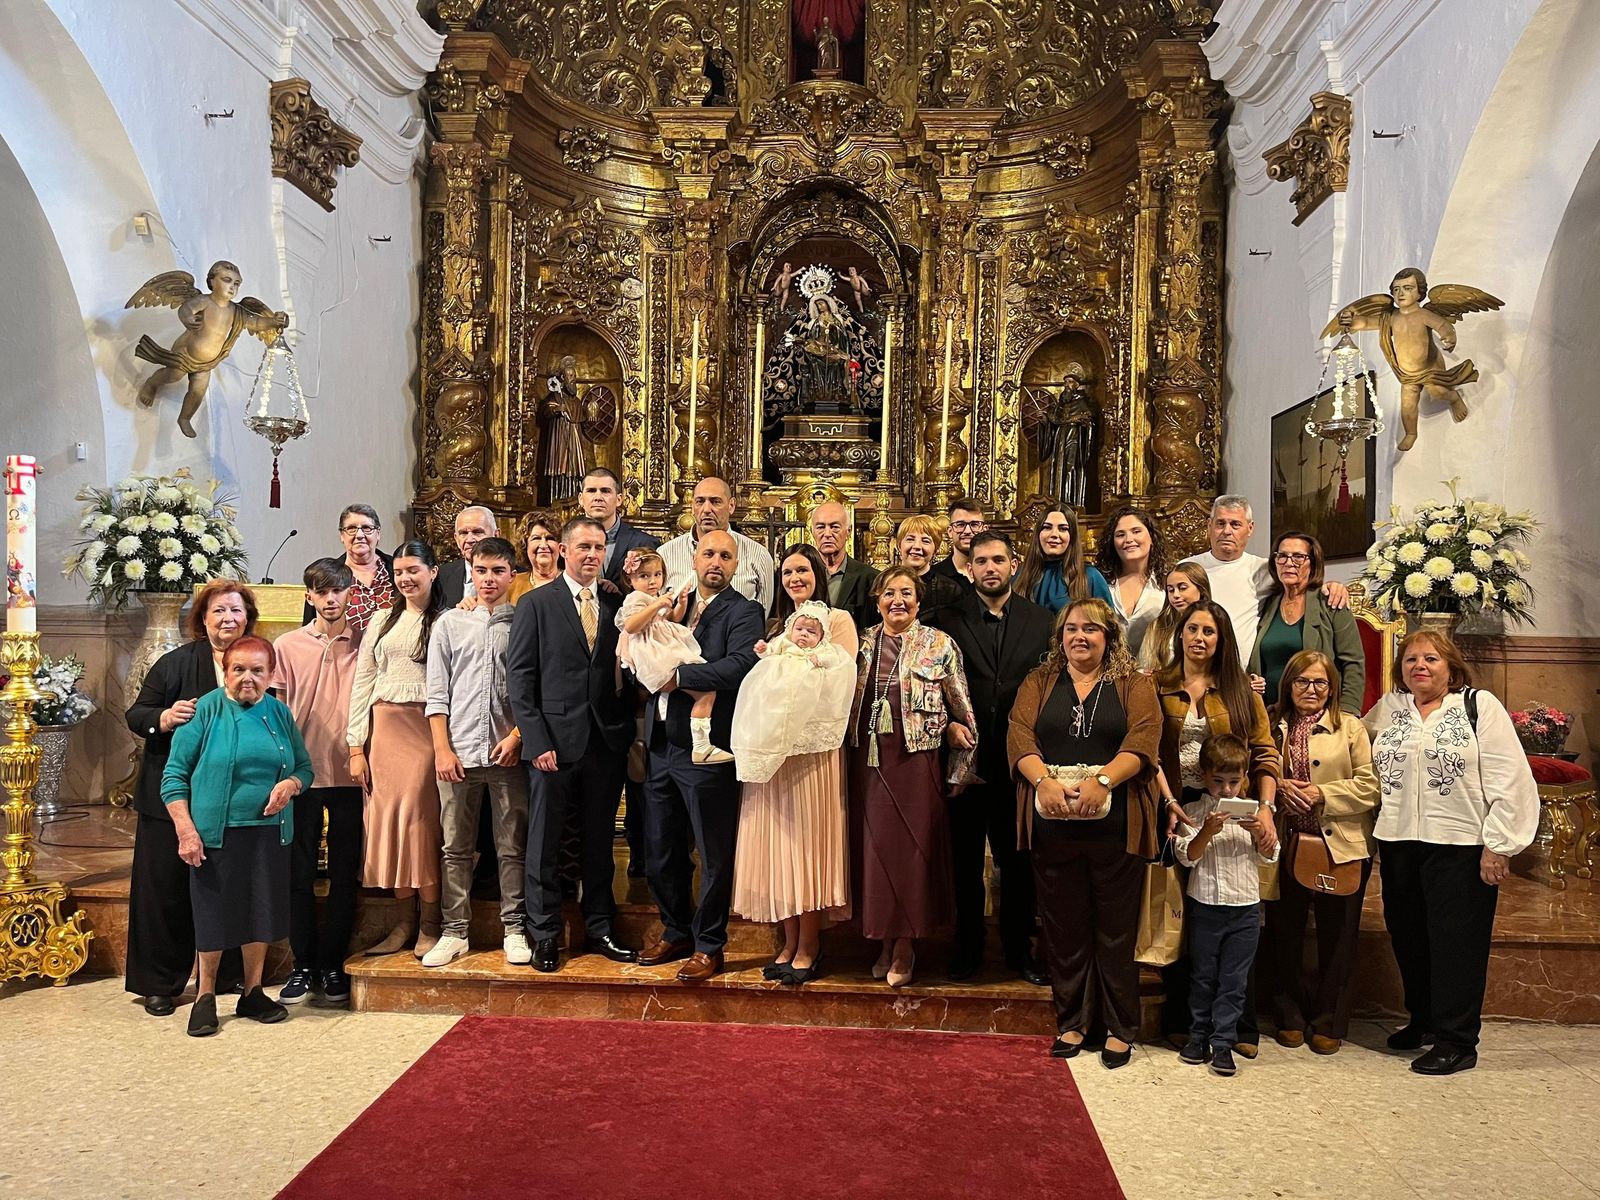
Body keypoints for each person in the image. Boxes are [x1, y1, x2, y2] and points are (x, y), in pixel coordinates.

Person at [1364, 630, 1539, 1075]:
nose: (1419, 666)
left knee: (1456, 944)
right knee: (1409, 936)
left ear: (1451, 667)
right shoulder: (1390, 708)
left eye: (1431, 659)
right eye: (1410, 660)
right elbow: (1355, 751)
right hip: (1399, 841)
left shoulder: (1479, 707)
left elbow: (1510, 777)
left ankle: (1457, 1040)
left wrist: (1499, 845)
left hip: (1461, 845)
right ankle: (1423, 1020)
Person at [1009, 598, 1163, 1069]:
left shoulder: (1134, 684)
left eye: (1091, 629)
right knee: (1064, 929)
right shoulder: (1039, 682)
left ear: (1109, 636)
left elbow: (1144, 738)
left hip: (1116, 828)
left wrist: (1102, 782)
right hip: (1053, 825)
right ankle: (1073, 1021)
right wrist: (1043, 782)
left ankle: (1119, 1027)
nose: (1080, 636)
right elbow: (1019, 735)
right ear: (1060, 637)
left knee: (1115, 931)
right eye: (1071, 629)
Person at [161, 636, 313, 1037]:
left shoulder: (278, 712)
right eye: (239, 669)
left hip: (269, 833)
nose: (248, 678)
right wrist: (186, 830)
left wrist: (292, 784)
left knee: (261, 914)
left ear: (271, 674)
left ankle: (253, 992)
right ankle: (205, 996)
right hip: (216, 836)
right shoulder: (205, 710)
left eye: (258, 671)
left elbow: (304, 767)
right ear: (225, 672)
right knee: (213, 915)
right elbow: (173, 776)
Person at [508, 517, 639, 971]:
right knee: (544, 842)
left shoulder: (616, 604)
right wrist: (536, 739)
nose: (592, 555)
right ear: (564, 550)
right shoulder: (536, 603)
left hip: (604, 741)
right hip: (552, 745)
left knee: (600, 841)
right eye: (583, 546)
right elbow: (520, 678)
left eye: (599, 547)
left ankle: (599, 926)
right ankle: (544, 932)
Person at [124, 579, 258, 1016]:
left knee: (225, 888)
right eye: (219, 611)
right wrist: (165, 717)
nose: (228, 619)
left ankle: (226, 975)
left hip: (230, 801)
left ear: (248, 618)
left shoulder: (257, 663)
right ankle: (159, 983)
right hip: (170, 797)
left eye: (236, 611)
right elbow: (136, 714)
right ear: (203, 619)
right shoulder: (175, 663)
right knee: (164, 890)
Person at [637, 530, 764, 981]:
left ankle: (710, 943)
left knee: (713, 852)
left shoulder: (744, 611)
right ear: (693, 558)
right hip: (661, 743)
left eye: (725, 556)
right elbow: (640, 645)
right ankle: (676, 930)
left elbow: (740, 664)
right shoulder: (672, 602)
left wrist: (678, 677)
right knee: (660, 847)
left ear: (735, 565)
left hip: (707, 749)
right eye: (709, 553)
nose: (716, 561)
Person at [1156, 599, 1280, 1052]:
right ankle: (1184, 1019)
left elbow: (1265, 753)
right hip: (1174, 806)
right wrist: (1169, 803)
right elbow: (1148, 751)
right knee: (1181, 912)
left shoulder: (1240, 691)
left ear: (1221, 640)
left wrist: (1264, 807)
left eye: (1209, 631)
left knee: (1233, 914)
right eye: (1192, 629)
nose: (1199, 638)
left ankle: (1239, 1026)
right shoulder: (1158, 685)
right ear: (1180, 633)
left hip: (1229, 800)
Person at [929, 532, 1053, 983]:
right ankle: (967, 946)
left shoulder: (1042, 621)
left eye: (998, 559)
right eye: (981, 561)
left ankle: (1019, 950)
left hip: (1021, 761)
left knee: (1018, 861)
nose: (990, 568)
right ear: (970, 568)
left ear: (1013, 564)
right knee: (964, 861)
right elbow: (930, 686)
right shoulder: (945, 619)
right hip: (965, 760)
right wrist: (946, 725)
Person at [848, 566, 978, 989]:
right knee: (874, 854)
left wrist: (961, 767)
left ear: (919, 602)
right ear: (877, 600)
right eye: (889, 593)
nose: (897, 601)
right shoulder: (859, 643)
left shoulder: (939, 644)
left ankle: (905, 944)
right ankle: (882, 939)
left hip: (916, 762)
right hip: (867, 763)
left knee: (909, 855)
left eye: (906, 593)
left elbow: (963, 711)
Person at [729, 560, 857, 984]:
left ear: (818, 574)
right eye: (787, 573)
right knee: (778, 847)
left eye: (802, 570)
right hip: (775, 753)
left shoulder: (837, 620)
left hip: (813, 753)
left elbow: (842, 679)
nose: (795, 579)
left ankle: (809, 944)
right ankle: (788, 940)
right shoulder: (778, 628)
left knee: (806, 846)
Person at [1262, 649, 1379, 1055]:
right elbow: (1255, 769)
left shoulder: (1350, 728)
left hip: (1340, 843)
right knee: (1284, 932)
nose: (1310, 689)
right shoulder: (1272, 724)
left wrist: (1320, 793)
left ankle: (1329, 1020)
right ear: (1288, 685)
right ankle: (1289, 1015)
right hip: (1285, 841)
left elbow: (1371, 786)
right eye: (1302, 681)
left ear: (1332, 688)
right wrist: (1277, 786)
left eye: (1320, 682)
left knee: (1338, 935)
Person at [423, 537, 531, 968]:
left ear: (511, 575)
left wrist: (517, 736)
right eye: (482, 571)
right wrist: (442, 749)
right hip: (459, 752)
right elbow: (437, 693)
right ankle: (454, 932)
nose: (489, 579)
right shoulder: (450, 622)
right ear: (472, 573)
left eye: (498, 571)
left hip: (507, 752)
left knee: (512, 847)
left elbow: (533, 688)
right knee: (455, 848)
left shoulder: (522, 620)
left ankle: (515, 928)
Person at [347, 540, 445, 958]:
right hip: (383, 732)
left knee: (419, 828)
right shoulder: (382, 619)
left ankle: (431, 923)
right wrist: (356, 746)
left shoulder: (446, 619)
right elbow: (363, 681)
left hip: (425, 730)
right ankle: (404, 924)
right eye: (399, 572)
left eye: (413, 570)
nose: (405, 578)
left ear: (433, 572)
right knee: (391, 827)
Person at [272, 560, 363, 1006]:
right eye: (321, 591)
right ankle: (303, 964)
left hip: (350, 774)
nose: (330, 599)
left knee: (345, 874)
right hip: (301, 775)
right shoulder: (286, 645)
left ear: (350, 594)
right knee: (299, 874)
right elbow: (278, 710)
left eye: (338, 590)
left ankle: (332, 964)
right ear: (308, 596)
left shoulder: (366, 642)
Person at [1173, 734, 1279, 1077]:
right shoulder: (1193, 812)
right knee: (1203, 976)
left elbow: (1269, 856)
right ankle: (1197, 1037)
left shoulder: (1254, 813)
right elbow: (1188, 857)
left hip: (1245, 909)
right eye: (1218, 781)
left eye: (1234, 781)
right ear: (1204, 776)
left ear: (1245, 777)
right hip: (1205, 906)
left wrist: (1260, 833)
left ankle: (1223, 1042)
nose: (1226, 790)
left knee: (1234, 981)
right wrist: (1207, 831)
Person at [1182, 496, 1348, 669]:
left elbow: (1301, 582)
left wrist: (1333, 587)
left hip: (1244, 674)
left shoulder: (1265, 569)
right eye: (1220, 523)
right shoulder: (1187, 569)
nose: (1227, 531)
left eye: (1235, 524)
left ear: (1250, 528)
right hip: (1196, 668)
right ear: (1209, 525)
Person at [616, 550, 728, 763]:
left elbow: (671, 619)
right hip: (652, 653)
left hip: (664, 646)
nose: (652, 581)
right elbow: (631, 626)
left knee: (705, 691)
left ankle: (701, 745)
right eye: (644, 576)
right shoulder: (636, 598)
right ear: (630, 580)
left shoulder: (656, 597)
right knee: (705, 691)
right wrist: (657, 605)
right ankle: (701, 746)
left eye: (657, 575)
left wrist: (681, 603)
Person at [1247, 531, 1364, 712]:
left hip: (1318, 713)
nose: (1288, 563)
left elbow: (1353, 662)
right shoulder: (1267, 602)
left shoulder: (1331, 602)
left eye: (1298, 557)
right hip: (1268, 713)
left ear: (1313, 563)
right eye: (1282, 556)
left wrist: (1347, 711)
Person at [657, 476, 775, 614]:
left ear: (731, 506)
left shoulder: (758, 555)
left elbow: (762, 615)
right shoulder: (665, 554)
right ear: (692, 506)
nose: (706, 509)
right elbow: (654, 613)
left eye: (715, 501)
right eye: (700, 501)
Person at [303, 504, 395, 634]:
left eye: (366, 528)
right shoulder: (325, 575)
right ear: (342, 535)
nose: (359, 535)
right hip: (342, 646)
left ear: (378, 533)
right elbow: (310, 630)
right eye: (351, 528)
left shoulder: (397, 569)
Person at [1095, 504, 1167, 661]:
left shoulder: (1167, 583)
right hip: (1106, 669)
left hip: (1153, 670)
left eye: (1136, 531)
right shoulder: (1100, 582)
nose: (1128, 539)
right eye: (1120, 534)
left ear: (1151, 537)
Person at [1014, 507, 1112, 615]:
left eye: (1063, 529)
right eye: (1047, 527)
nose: (1054, 534)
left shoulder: (1090, 576)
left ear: (1072, 536)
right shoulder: (1019, 575)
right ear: (1038, 533)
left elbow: (1108, 622)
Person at [578, 466, 659, 591]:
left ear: (619, 499)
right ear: (581, 499)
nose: (598, 497)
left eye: (605, 491)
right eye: (591, 491)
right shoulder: (566, 541)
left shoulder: (644, 543)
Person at [809, 500, 878, 632]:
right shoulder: (802, 576)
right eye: (820, 527)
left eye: (834, 527)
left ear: (848, 532)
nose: (827, 534)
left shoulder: (870, 578)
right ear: (812, 531)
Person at [1137, 562, 1210, 674]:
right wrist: (1145, 673)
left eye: (1182, 588)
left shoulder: (1216, 625)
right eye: (1170, 590)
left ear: (1201, 589)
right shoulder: (1158, 627)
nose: (1175, 595)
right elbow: (1143, 666)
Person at [893, 514, 966, 622]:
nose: (917, 546)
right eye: (910, 539)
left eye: (925, 541)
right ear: (899, 546)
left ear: (935, 550)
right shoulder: (883, 585)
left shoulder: (950, 590)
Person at [437, 506, 498, 607]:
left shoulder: (519, 578)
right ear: (456, 539)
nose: (469, 540)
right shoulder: (440, 576)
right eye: (463, 533)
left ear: (495, 535)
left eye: (477, 532)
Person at [928, 496, 986, 589]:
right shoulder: (933, 577)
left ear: (984, 530)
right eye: (960, 525)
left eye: (974, 525)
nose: (967, 531)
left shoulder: (993, 573)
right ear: (950, 531)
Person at [507, 512, 563, 603]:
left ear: (561, 546)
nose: (543, 545)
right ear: (525, 545)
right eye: (536, 538)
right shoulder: (512, 583)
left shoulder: (572, 581)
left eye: (550, 538)